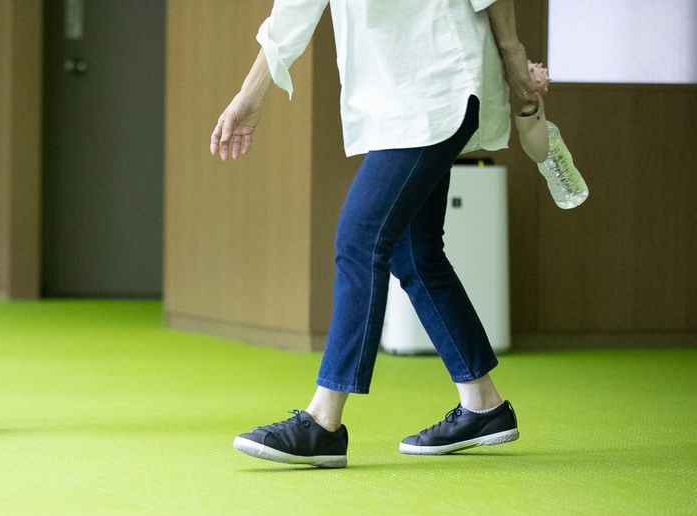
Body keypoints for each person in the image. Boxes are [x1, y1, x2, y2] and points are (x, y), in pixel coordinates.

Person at [212, 0, 547, 468]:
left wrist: (515, 63)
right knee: (416, 253)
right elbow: (294, 11)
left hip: (439, 82)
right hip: (394, 93)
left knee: (360, 239)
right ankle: (483, 404)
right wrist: (251, 94)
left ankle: (324, 420)